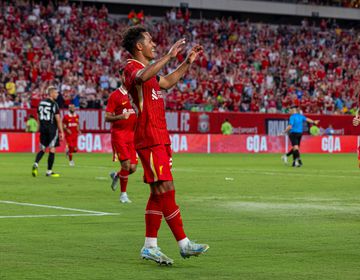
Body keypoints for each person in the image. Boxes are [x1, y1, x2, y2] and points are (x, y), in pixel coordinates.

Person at [122, 26, 209, 265]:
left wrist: (187, 62)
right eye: (149, 41)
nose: (153, 44)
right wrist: (169, 56)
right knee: (166, 189)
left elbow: (168, 81)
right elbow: (141, 77)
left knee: (158, 193)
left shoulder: (148, 72)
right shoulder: (131, 68)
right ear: (139, 46)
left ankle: (150, 246)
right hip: (149, 138)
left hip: (160, 136)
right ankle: (184, 243)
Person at [105, 73, 137, 203]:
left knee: (133, 168)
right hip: (119, 135)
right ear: (123, 78)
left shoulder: (135, 95)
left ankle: (117, 176)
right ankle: (123, 195)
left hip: (132, 135)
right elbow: (107, 117)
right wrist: (120, 117)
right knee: (126, 164)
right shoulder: (115, 96)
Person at [32, 86, 64, 177]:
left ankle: (36, 164)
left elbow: (38, 115)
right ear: (51, 94)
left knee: (42, 149)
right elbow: (58, 119)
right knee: (52, 149)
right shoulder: (54, 104)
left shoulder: (41, 103)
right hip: (51, 129)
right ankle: (49, 171)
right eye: (56, 93)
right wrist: (61, 132)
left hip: (43, 128)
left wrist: (39, 127)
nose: (57, 94)